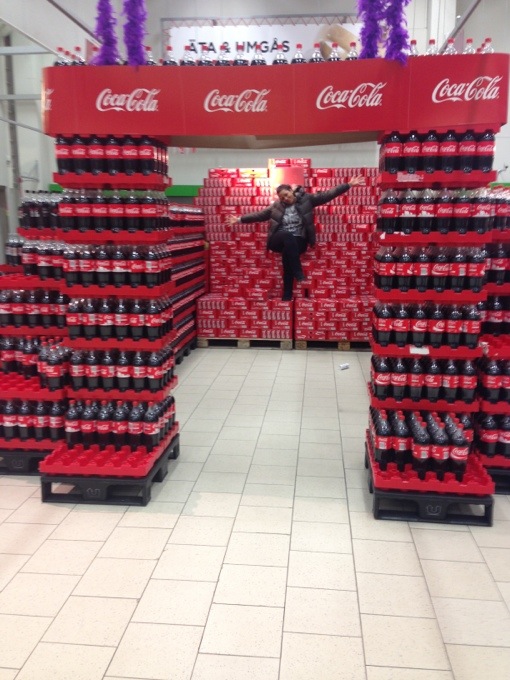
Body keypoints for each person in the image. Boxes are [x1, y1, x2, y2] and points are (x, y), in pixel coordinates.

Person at [226, 174, 365, 300]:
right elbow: (260, 215)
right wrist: (239, 219)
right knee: (287, 236)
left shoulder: (307, 200)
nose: (286, 199)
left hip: (299, 240)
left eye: (286, 195)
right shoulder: (276, 206)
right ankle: (298, 272)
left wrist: (348, 185)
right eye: (282, 198)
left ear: (291, 191)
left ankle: (287, 295)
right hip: (278, 239)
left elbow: (327, 195)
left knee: (288, 256)